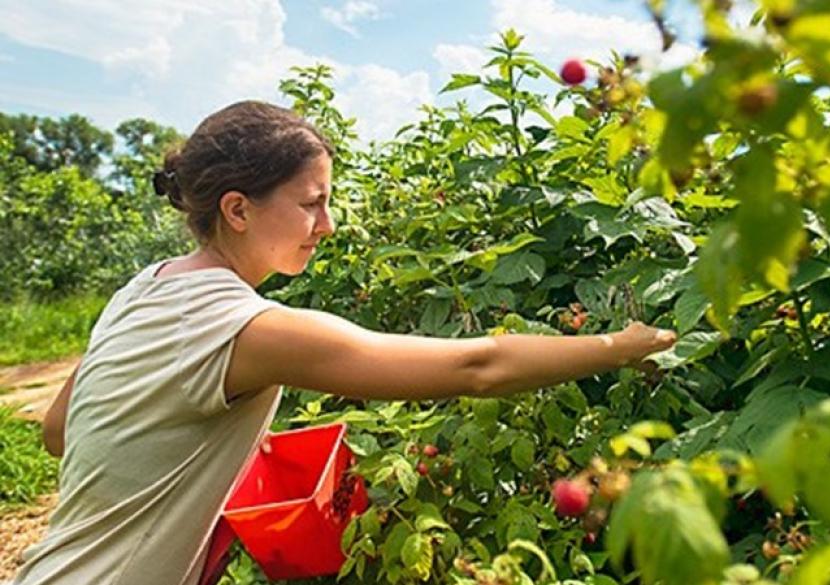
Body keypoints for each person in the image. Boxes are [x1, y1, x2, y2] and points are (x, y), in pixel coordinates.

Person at [14, 100, 677, 585]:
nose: (327, 225)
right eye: (311, 203)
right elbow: (479, 363)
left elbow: (57, 429)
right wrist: (621, 344)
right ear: (237, 209)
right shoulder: (247, 329)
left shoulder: (140, 288)